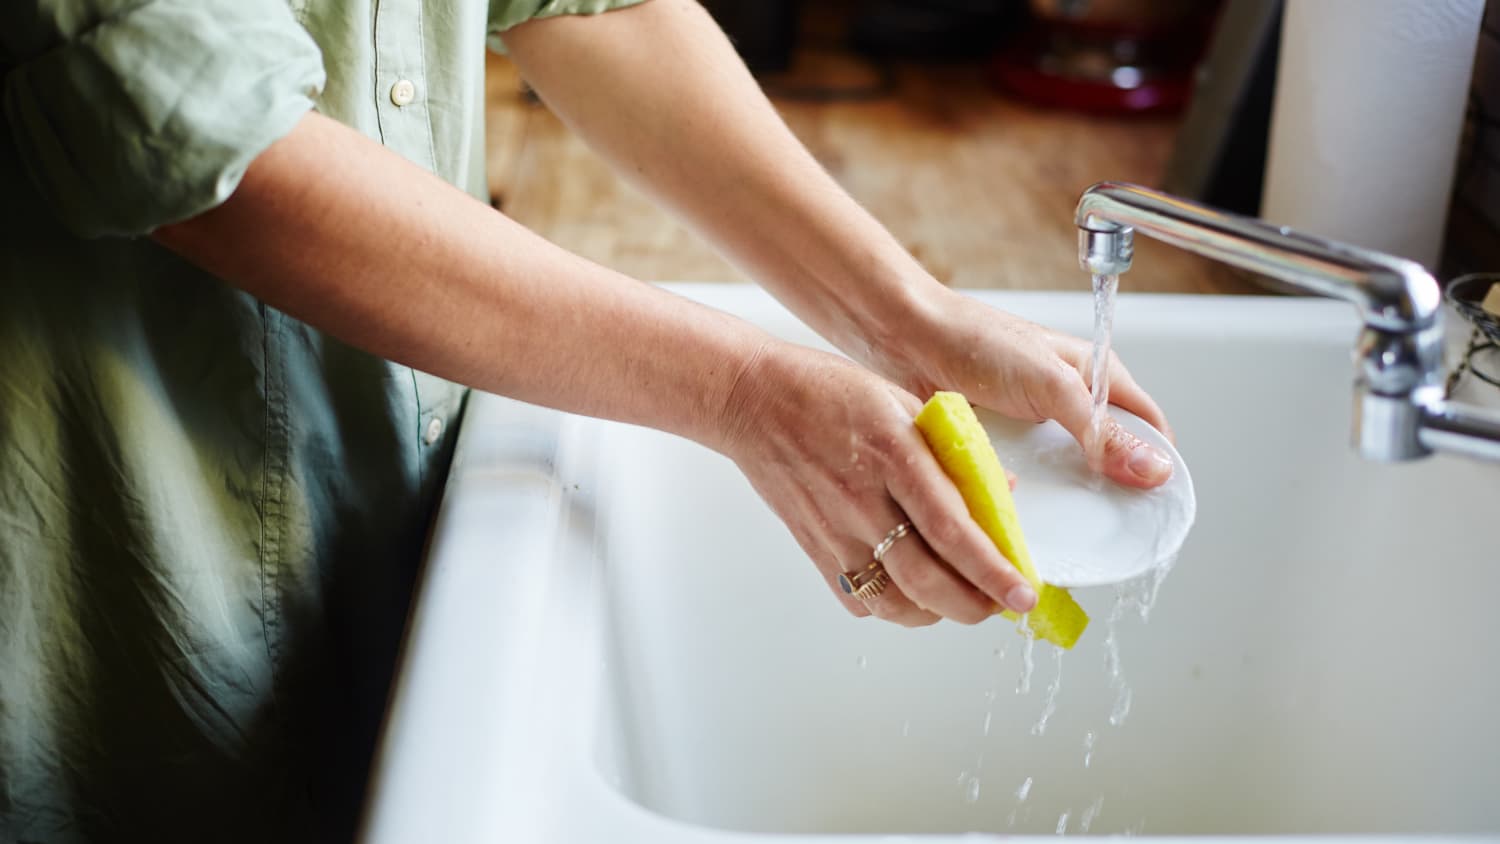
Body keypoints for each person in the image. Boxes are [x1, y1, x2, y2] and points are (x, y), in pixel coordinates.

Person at [0, 0, 1174, 840]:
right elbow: (187, 123)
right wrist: (742, 393)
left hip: (386, 449)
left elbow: (592, 6)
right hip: (121, 510)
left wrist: (905, 313)